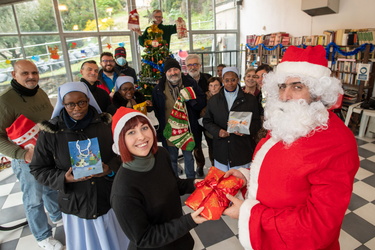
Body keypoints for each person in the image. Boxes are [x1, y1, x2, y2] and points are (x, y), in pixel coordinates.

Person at [223, 45, 360, 250]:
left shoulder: (338, 143)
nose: (285, 96)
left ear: (318, 93)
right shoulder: (289, 120)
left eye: (297, 87)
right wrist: (246, 176)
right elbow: (280, 169)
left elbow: (318, 228)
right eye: (281, 86)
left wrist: (247, 213)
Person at [30, 82, 129, 250]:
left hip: (107, 200)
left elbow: (122, 155)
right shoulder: (51, 133)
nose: (77, 108)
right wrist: (64, 178)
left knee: (116, 243)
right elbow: (38, 169)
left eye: (81, 102)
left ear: (88, 100)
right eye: (70, 104)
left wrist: (109, 168)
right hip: (76, 206)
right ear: (63, 103)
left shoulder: (105, 124)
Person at [110, 107, 207, 250]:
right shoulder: (123, 191)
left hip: (180, 239)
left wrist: (195, 183)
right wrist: (189, 221)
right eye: (131, 132)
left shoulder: (161, 154)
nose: (141, 137)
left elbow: (172, 184)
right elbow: (144, 238)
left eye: (144, 128)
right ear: (120, 141)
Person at [0, 60, 63, 249]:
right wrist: (21, 154)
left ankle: (57, 216)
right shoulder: (5, 101)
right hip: (26, 160)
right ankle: (43, 237)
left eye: (34, 73)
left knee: (51, 188)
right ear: (14, 75)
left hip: (48, 154)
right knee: (33, 200)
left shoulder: (39, 92)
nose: (31, 77)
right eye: (25, 73)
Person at [152, 58, 206, 178]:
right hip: (170, 130)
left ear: (180, 70)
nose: (173, 72)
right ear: (166, 73)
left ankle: (190, 182)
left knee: (188, 157)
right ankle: (175, 183)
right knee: (172, 158)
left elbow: (202, 101)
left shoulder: (191, 84)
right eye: (170, 70)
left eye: (175, 69)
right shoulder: (158, 89)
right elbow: (157, 110)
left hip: (187, 130)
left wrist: (191, 100)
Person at [203, 67, 261, 172]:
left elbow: (257, 122)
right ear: (222, 81)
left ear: (238, 79)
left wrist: (246, 130)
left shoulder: (250, 100)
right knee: (223, 185)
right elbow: (207, 121)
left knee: (241, 183)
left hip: (241, 151)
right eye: (227, 80)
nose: (230, 83)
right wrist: (218, 131)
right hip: (221, 152)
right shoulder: (214, 101)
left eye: (233, 80)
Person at [185, 54, 212, 176]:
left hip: (209, 118)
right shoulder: (183, 81)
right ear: (186, 67)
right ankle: (200, 165)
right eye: (189, 65)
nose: (192, 67)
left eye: (195, 64)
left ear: (200, 65)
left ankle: (214, 165)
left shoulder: (208, 79)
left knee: (211, 142)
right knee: (196, 145)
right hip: (192, 119)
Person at [199, 77, 223, 167]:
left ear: (220, 86)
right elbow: (200, 112)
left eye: (216, 85)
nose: (213, 88)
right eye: (211, 86)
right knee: (211, 147)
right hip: (208, 128)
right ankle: (213, 165)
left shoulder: (224, 96)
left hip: (222, 128)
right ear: (208, 87)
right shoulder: (204, 98)